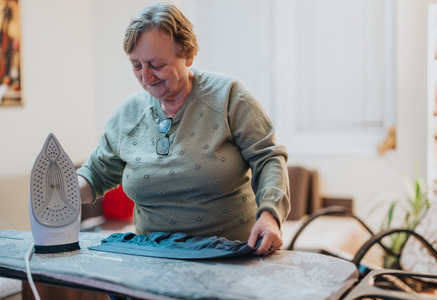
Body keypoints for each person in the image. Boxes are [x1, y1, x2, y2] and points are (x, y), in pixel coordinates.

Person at [77, 2, 290, 256]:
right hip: (153, 256)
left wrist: (270, 215)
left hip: (228, 254)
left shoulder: (229, 97)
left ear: (188, 54)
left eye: (156, 65)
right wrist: (60, 190)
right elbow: (96, 175)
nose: (146, 77)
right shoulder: (128, 114)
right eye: (136, 65)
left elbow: (268, 158)